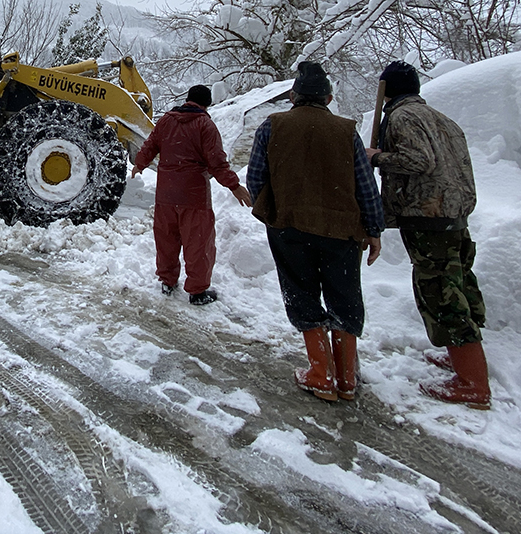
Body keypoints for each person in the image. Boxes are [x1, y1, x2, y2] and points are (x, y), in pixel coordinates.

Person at [245, 61, 384, 402]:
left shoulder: (272, 125)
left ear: (293, 96)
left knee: (301, 293)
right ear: (329, 97)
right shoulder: (346, 131)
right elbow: (365, 185)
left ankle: (321, 374)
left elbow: (255, 177)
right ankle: (347, 379)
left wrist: (271, 210)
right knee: (345, 297)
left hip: (289, 226)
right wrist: (374, 229)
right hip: (341, 230)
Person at [365, 61, 491, 409]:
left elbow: (420, 161)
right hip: (454, 213)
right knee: (460, 282)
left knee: (441, 293)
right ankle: (462, 359)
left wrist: (376, 158)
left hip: (428, 216)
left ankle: (472, 383)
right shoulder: (441, 118)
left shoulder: (404, 118)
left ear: (387, 90)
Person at [132, 84, 253, 305]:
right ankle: (197, 292)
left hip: (166, 193)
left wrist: (139, 164)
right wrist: (234, 186)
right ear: (206, 104)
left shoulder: (166, 121)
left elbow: (150, 145)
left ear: (187, 100)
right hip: (194, 195)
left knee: (166, 238)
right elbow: (217, 163)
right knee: (198, 243)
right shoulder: (205, 125)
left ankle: (168, 281)